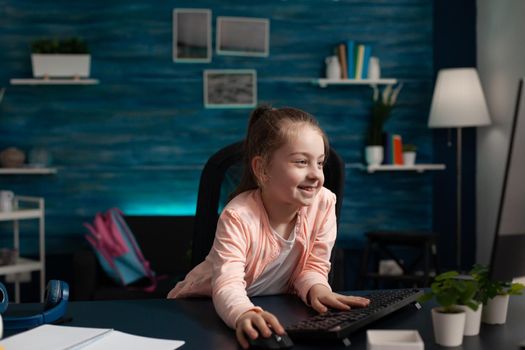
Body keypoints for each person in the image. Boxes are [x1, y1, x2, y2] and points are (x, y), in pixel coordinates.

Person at [168, 105, 369, 348]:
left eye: (320, 163)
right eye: (302, 162)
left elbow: (312, 266)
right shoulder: (238, 216)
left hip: (274, 305)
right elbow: (227, 284)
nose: (316, 174)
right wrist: (244, 313)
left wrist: (318, 288)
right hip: (203, 308)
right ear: (262, 169)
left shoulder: (324, 203)